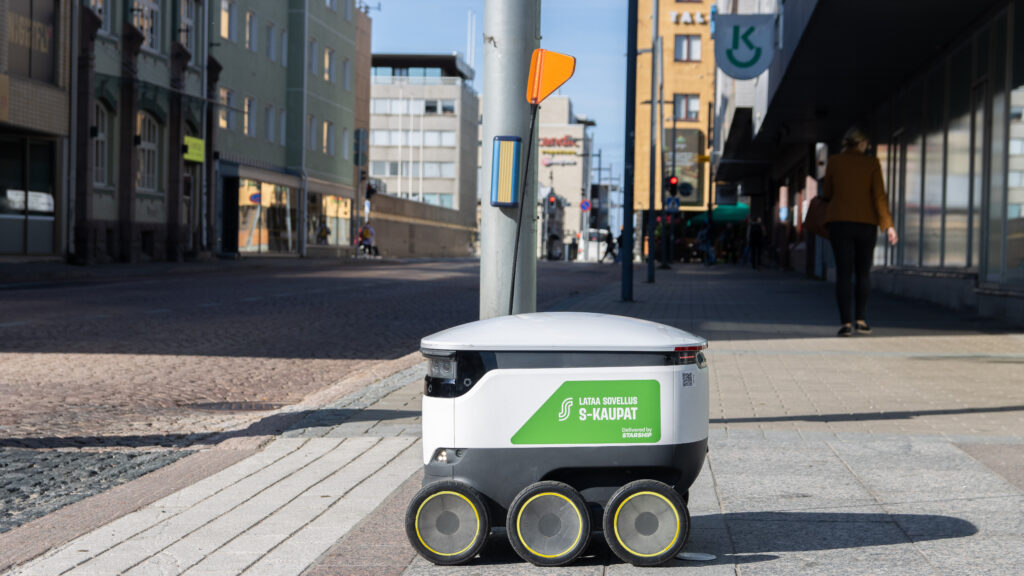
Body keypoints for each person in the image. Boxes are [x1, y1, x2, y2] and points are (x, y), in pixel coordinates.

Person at [822, 126, 899, 337]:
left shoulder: (835, 162)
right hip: (866, 224)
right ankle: (861, 320)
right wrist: (889, 225)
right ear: (862, 143)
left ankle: (845, 323)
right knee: (863, 272)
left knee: (844, 273)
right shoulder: (871, 164)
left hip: (840, 223)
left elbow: (827, 192)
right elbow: (879, 196)